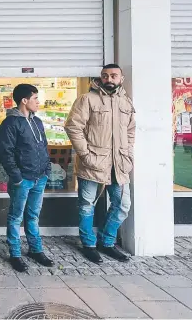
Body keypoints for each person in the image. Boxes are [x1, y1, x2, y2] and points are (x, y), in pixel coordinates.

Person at [64, 64, 135, 264]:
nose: (108, 79)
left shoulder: (126, 102)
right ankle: (89, 245)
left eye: (113, 75)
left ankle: (107, 242)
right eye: (105, 76)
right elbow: (73, 127)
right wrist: (86, 155)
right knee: (87, 206)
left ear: (121, 78)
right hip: (92, 164)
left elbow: (131, 131)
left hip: (119, 164)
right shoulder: (87, 99)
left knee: (122, 205)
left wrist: (128, 154)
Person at [0, 84, 54, 272]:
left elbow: (44, 146)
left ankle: (35, 250)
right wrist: (17, 177)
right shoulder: (10, 123)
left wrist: (46, 169)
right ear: (24, 100)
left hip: (39, 177)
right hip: (22, 180)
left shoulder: (37, 122)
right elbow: (6, 153)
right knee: (15, 217)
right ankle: (15, 254)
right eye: (35, 98)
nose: (38, 102)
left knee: (33, 216)